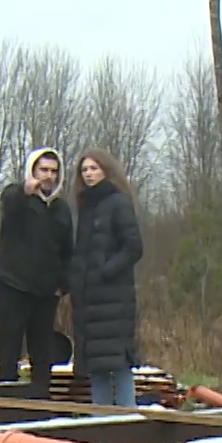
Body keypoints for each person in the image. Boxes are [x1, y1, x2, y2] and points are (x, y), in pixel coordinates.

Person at [0, 146, 74, 399]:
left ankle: (41, 400)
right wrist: (25, 190)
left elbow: (68, 250)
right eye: (43, 170)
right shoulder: (17, 198)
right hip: (13, 285)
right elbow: (8, 202)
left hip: (45, 291)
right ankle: (7, 400)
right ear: (32, 171)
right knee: (9, 347)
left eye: (53, 171)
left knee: (41, 350)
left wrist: (64, 284)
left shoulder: (61, 209)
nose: (48, 176)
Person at [67, 148, 143, 407]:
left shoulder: (118, 202)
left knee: (119, 364)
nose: (89, 174)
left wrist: (105, 271)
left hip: (114, 300)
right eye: (84, 170)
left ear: (106, 170)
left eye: (94, 168)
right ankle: (99, 421)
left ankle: (127, 419)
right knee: (95, 366)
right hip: (89, 301)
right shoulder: (86, 206)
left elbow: (133, 247)